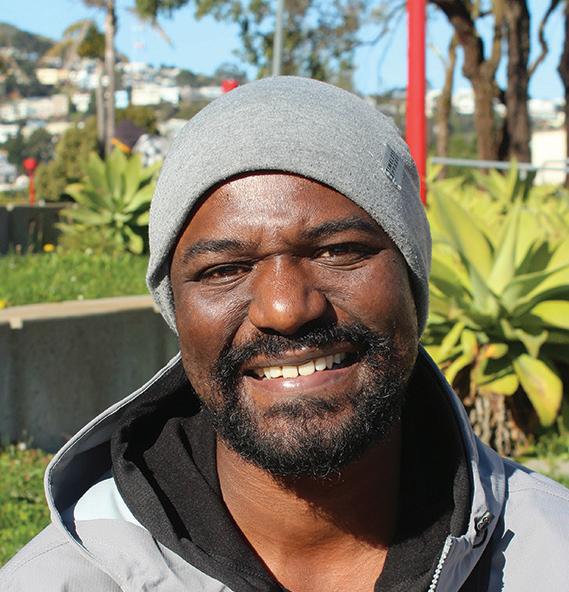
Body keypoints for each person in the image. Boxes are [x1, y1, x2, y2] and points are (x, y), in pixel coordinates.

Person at [1, 77, 568, 592]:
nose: (284, 309)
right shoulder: (57, 581)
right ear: (176, 310)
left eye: (338, 251)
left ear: (411, 276)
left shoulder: (549, 558)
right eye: (224, 270)